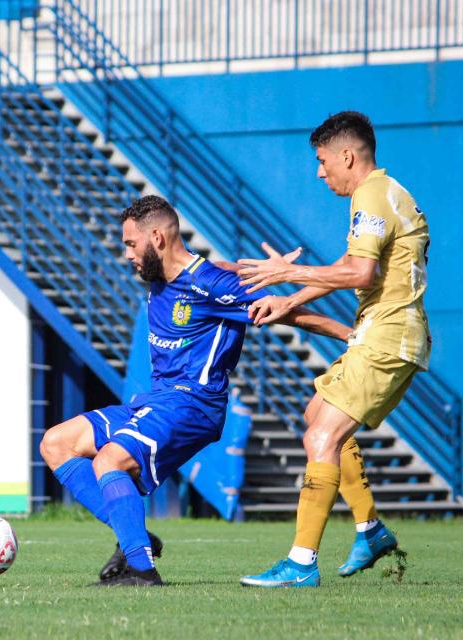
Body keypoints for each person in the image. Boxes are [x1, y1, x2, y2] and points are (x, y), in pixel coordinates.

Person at [40, 195, 352, 586]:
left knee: (110, 461)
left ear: (156, 237)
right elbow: (224, 271)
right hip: (157, 401)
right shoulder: (163, 279)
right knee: (55, 443)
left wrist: (349, 334)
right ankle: (133, 537)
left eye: (130, 244)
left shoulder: (210, 283)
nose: (126, 255)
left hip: (194, 403)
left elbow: (282, 309)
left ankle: (141, 570)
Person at [236, 111, 430, 588]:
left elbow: (359, 275)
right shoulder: (383, 193)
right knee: (316, 414)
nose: (319, 172)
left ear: (347, 155)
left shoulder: (371, 194)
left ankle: (301, 563)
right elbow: (349, 264)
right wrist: (290, 298)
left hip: (388, 335)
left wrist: (288, 275)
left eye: (322, 161)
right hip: (379, 331)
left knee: (321, 439)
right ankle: (369, 527)